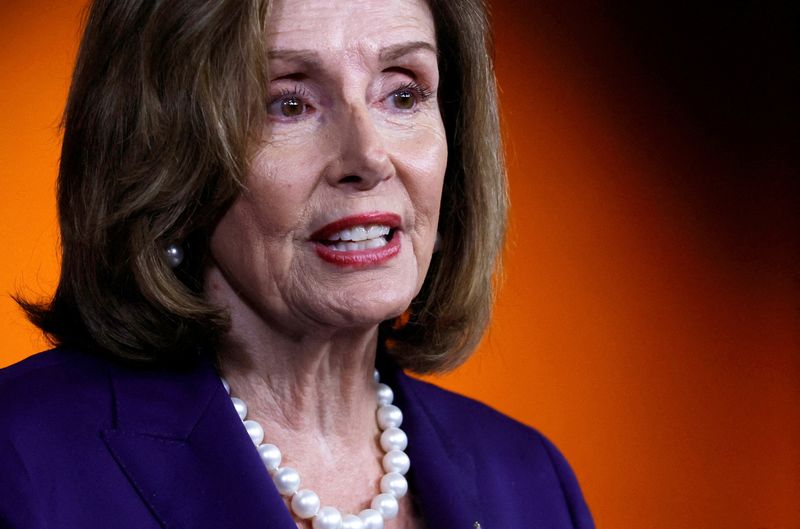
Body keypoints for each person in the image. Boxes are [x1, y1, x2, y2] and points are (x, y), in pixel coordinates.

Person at [0, 0, 594, 527]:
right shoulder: (23, 459)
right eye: (289, 103)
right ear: (165, 153)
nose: (367, 157)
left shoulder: (531, 481)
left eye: (403, 93)